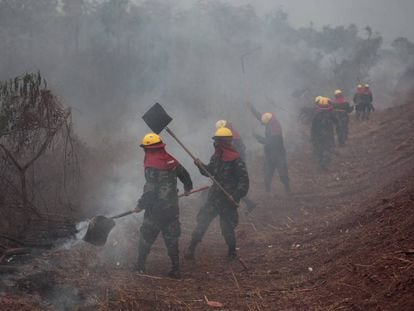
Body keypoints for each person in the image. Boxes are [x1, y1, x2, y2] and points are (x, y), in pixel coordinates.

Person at [185, 127, 249, 261]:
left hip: (227, 199)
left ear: (225, 142)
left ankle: (232, 253)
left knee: (227, 228)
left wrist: (235, 196)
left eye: (218, 141)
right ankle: (191, 249)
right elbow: (209, 172)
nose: (216, 144)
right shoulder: (216, 156)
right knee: (203, 221)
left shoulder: (236, 160)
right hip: (214, 197)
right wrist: (200, 165)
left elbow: (244, 182)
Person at [135, 133, 193, 279]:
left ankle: (139, 266)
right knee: (172, 239)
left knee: (146, 236)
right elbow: (185, 174)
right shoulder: (170, 160)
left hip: (155, 210)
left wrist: (140, 205)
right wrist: (188, 188)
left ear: (148, 149)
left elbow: (150, 190)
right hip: (172, 208)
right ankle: (176, 269)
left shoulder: (151, 166)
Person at [248, 104, 291, 194]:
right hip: (270, 154)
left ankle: (288, 190)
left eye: (264, 123)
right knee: (267, 174)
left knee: (283, 174)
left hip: (279, 154)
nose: (263, 124)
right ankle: (267, 191)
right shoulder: (270, 119)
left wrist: (257, 137)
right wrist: (252, 108)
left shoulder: (276, 129)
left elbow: (268, 142)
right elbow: (261, 117)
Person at [215, 120, 256, 213]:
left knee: (235, 185)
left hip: (235, 164)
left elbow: (239, 150)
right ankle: (249, 203)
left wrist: (236, 162)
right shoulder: (233, 134)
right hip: (235, 163)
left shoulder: (233, 137)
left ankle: (249, 203)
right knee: (235, 185)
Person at [311, 96, 337, 170]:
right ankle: (324, 162)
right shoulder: (330, 113)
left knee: (320, 149)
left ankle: (321, 163)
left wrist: (312, 137)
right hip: (328, 135)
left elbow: (313, 127)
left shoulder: (316, 114)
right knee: (329, 148)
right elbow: (336, 121)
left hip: (318, 136)